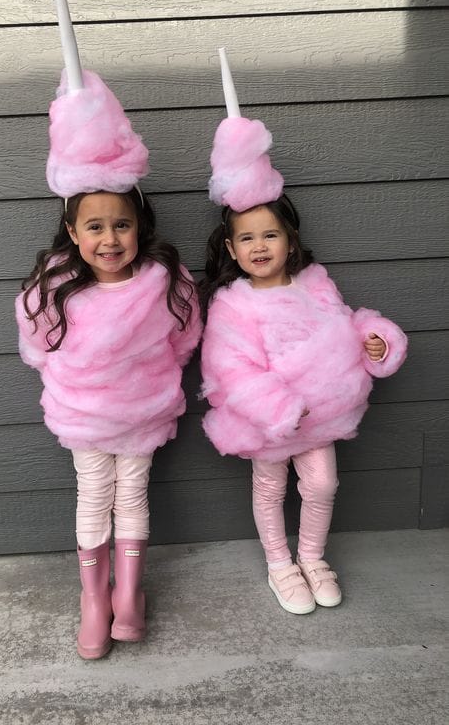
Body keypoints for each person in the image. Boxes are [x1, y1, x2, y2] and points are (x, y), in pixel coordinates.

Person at [16, 0, 201, 659]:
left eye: (122, 224)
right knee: (97, 495)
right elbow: (40, 346)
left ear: (139, 226)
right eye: (94, 226)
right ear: (72, 231)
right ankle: (98, 603)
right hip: (87, 417)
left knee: (132, 495)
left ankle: (126, 597)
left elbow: (184, 336)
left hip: (141, 411)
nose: (110, 238)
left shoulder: (162, 279)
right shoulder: (56, 285)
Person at [199, 49, 407, 615]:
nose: (259, 247)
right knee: (269, 489)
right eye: (247, 239)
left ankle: (312, 557)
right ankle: (279, 564)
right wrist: (278, 407)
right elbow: (228, 369)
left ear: (289, 239)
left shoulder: (314, 283)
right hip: (273, 419)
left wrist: (374, 340)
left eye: (270, 236)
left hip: (322, 416)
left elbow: (343, 324)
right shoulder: (232, 304)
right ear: (231, 248)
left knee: (321, 486)